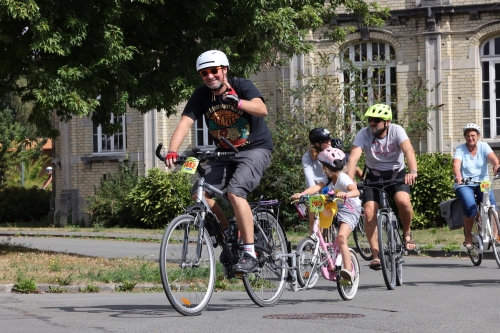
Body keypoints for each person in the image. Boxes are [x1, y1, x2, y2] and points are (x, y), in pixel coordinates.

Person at [164, 50, 273, 273]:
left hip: (254, 148)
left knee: (235, 192)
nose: (210, 76)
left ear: (224, 70)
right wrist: (172, 151)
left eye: (214, 70)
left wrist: (239, 102)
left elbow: (262, 109)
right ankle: (226, 232)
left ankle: (250, 252)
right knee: (199, 193)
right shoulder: (201, 95)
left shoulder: (242, 85)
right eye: (204, 73)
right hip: (224, 152)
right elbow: (185, 122)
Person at [345, 104, 418, 270]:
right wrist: (349, 183)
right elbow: (353, 159)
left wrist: (413, 171)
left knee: (403, 201)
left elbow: (409, 152)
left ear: (387, 122)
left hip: (396, 174)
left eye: (376, 121)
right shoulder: (364, 134)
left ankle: (407, 233)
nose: (372, 123)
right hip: (374, 176)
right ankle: (376, 256)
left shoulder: (396, 130)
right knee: (369, 212)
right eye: (370, 120)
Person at [292, 147, 361, 284]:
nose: (322, 168)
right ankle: (324, 250)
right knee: (316, 217)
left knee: (341, 238)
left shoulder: (343, 178)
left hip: (350, 210)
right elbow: (317, 187)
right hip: (335, 206)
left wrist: (345, 194)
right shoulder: (328, 178)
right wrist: (302, 194)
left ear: (327, 167)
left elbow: (356, 191)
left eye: (323, 165)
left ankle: (348, 272)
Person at [453, 123, 500, 249]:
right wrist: (458, 175)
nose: (470, 138)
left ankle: (495, 236)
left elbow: (493, 159)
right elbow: (456, 165)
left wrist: (496, 165)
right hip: (464, 183)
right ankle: (468, 235)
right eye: (468, 136)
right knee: (470, 207)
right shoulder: (460, 149)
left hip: (482, 182)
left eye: (473, 135)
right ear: (465, 137)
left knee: (492, 206)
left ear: (478, 136)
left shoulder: (484, 146)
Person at [302, 128, 332, 235]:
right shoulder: (307, 157)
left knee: (326, 220)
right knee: (315, 221)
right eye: (326, 141)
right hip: (315, 189)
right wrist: (314, 194)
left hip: (330, 188)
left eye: (330, 140)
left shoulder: (332, 152)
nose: (329, 143)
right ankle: (316, 244)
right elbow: (309, 178)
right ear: (317, 144)